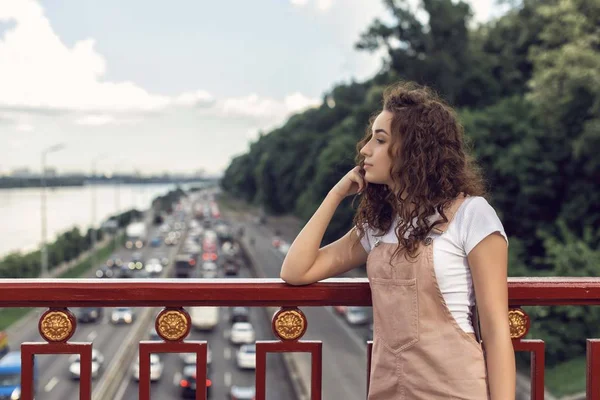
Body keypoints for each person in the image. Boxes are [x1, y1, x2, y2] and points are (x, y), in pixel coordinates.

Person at [280, 81, 515, 399]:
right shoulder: (379, 225)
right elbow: (295, 271)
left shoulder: (472, 215)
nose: (365, 150)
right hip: (388, 389)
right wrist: (334, 195)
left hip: (454, 390)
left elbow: (497, 330)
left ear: (413, 150)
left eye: (380, 140)